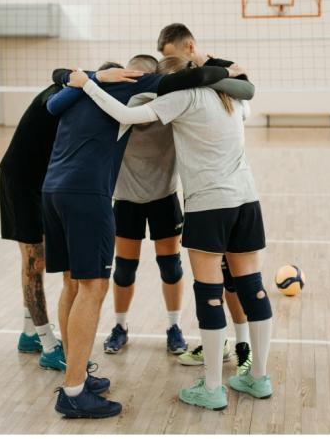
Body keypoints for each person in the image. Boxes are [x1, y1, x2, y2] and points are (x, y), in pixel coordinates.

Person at [68, 56, 273, 411]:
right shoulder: (231, 98)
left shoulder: (184, 96)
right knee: (252, 287)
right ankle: (258, 378)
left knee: (209, 293)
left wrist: (86, 84)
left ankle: (212, 387)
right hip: (247, 199)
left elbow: (128, 117)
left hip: (209, 203)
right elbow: (248, 100)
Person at [102, 55, 255, 361]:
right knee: (124, 270)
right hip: (127, 201)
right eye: (134, 78)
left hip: (165, 199)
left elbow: (239, 94)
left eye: (147, 78)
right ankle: (119, 327)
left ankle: (173, 328)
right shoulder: (119, 115)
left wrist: (210, 64)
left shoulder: (171, 110)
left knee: (170, 268)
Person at [0, 60, 124, 371]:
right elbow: (58, 76)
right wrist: (88, 78)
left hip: (51, 182)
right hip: (22, 179)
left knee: (50, 262)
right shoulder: (64, 91)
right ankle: (47, 342)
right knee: (34, 260)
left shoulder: (91, 99)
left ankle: (29, 333)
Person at [155, 23, 253, 373]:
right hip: (215, 193)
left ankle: (241, 346)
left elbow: (248, 92)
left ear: (190, 47)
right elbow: (165, 83)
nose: (170, 66)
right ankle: (222, 344)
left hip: (222, 196)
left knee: (228, 279)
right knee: (217, 279)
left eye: (171, 57)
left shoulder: (221, 80)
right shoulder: (192, 83)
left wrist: (214, 75)